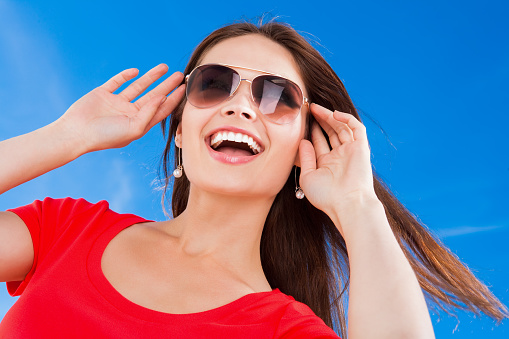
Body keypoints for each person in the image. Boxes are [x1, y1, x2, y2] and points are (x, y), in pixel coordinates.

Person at [0, 20, 507, 338]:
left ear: (302, 150)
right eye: (214, 85)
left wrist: (358, 206)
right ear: (179, 130)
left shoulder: (283, 329)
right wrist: (67, 137)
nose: (241, 105)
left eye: (276, 96)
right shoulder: (68, 229)